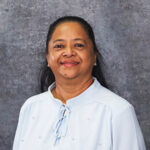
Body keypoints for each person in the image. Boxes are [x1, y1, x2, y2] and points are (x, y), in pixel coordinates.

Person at [13, 16, 146, 150]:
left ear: (94, 55)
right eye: (59, 46)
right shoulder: (31, 107)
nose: (69, 52)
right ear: (48, 57)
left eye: (79, 45)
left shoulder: (118, 111)